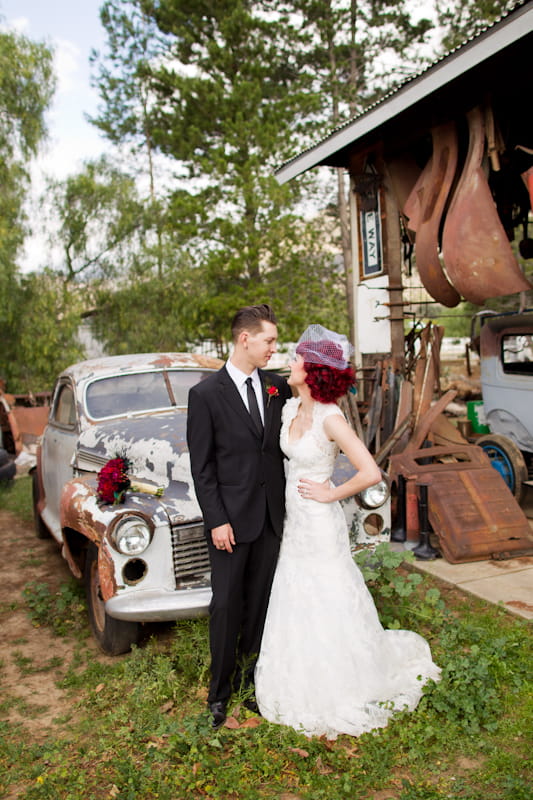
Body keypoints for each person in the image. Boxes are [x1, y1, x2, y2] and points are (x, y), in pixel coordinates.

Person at [255, 324, 441, 740]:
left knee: (327, 594)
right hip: (295, 523)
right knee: (296, 594)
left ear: (314, 370)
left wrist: (331, 492)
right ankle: (301, 676)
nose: (289, 362)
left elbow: (371, 471)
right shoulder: (289, 409)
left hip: (320, 523)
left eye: (297, 359)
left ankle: (341, 683)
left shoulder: (331, 417)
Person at [187, 304, 292, 729]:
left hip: (270, 518)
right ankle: (219, 693)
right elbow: (203, 466)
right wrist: (216, 520)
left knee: (260, 604)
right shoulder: (205, 394)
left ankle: (252, 683)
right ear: (244, 339)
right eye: (269, 340)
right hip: (230, 521)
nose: (274, 348)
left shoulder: (277, 387)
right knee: (226, 605)